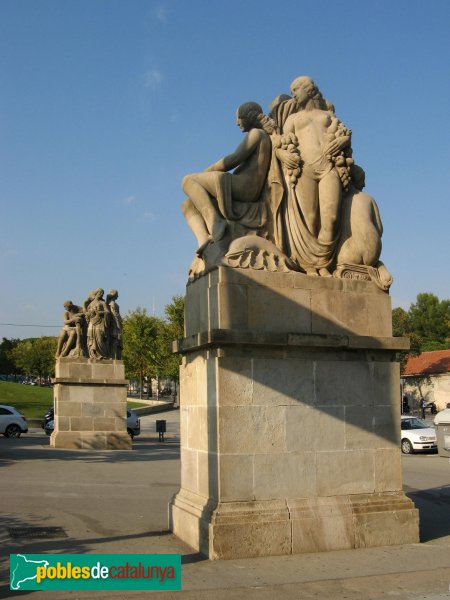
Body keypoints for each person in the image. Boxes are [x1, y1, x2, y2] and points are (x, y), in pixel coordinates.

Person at [272, 76, 352, 276]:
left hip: (328, 168)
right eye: (291, 92)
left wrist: (341, 142)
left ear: (308, 90)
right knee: (310, 218)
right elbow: (279, 144)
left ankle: (324, 262)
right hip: (304, 169)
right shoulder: (292, 119)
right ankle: (310, 265)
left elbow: (346, 134)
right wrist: (283, 154)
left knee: (331, 217)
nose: (293, 95)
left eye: (296, 90)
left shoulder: (326, 115)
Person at [181, 102, 274, 256]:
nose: (237, 122)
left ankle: (216, 222)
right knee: (188, 205)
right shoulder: (257, 134)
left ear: (249, 117)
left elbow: (233, 160)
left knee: (187, 181)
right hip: (238, 184)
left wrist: (205, 173)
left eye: (239, 117)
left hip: (245, 186)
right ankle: (204, 239)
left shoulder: (257, 134)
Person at [84, 288, 111, 359]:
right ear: (96, 293)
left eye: (102, 293)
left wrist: (99, 312)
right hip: (92, 323)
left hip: (100, 322)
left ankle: (103, 355)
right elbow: (86, 313)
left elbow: (107, 312)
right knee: (91, 339)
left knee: (99, 339)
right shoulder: (90, 304)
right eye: (100, 293)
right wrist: (89, 312)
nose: (101, 294)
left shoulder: (103, 303)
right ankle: (93, 355)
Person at [106, 289, 123, 359]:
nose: (118, 296)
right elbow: (115, 315)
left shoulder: (111, 303)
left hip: (115, 324)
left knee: (115, 341)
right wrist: (119, 325)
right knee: (115, 341)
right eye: (117, 294)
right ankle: (113, 357)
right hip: (114, 325)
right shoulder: (112, 304)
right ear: (114, 295)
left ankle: (114, 357)